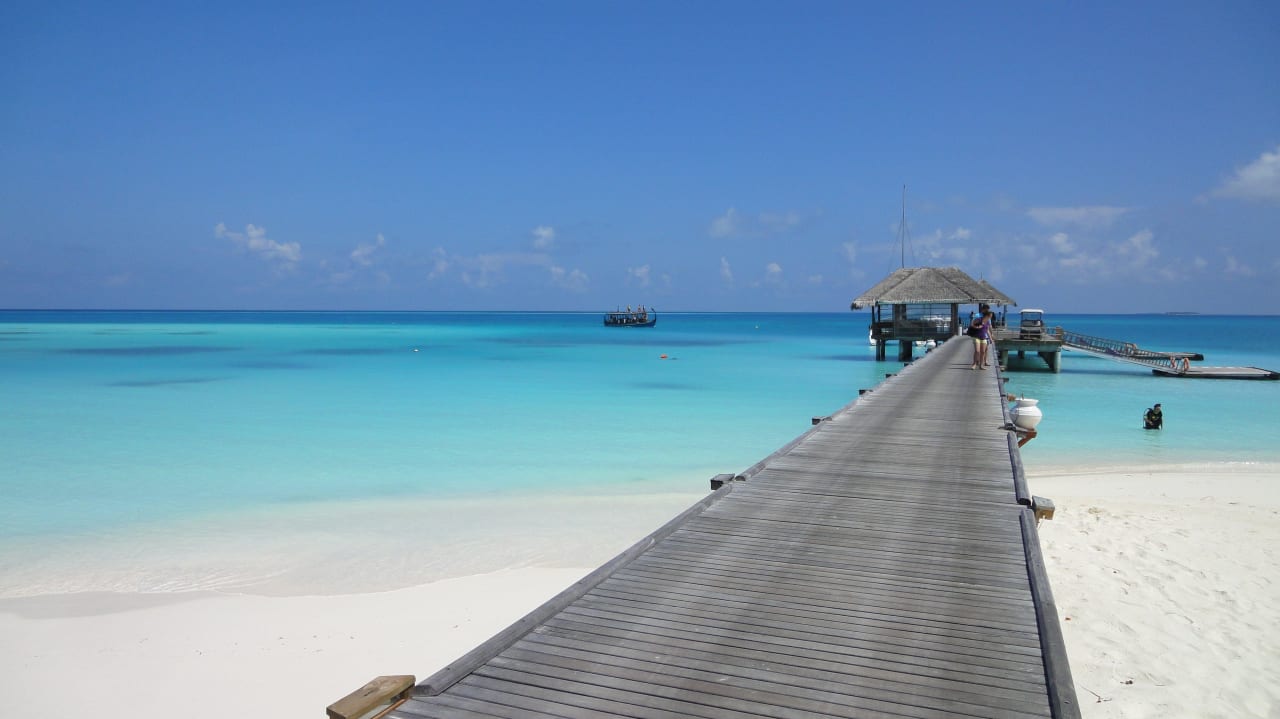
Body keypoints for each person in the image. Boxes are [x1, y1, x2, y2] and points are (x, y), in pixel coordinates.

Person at [970, 304, 993, 370]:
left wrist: (991, 337)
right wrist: (977, 326)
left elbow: (988, 329)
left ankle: (981, 365)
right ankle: (974, 364)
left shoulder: (988, 319)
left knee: (983, 351)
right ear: (983, 310)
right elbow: (972, 324)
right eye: (986, 310)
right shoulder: (978, 316)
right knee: (977, 351)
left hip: (984, 337)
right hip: (976, 336)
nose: (987, 311)